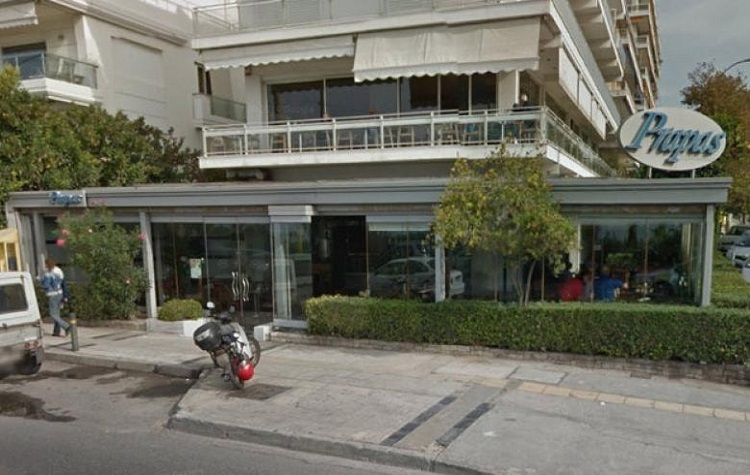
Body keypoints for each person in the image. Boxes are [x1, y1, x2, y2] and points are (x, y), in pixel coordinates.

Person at [40, 258, 71, 337]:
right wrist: (65, 296)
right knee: (57, 314)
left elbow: (45, 285)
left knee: (53, 314)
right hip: (60, 294)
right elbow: (64, 284)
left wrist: (40, 280)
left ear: (47, 264)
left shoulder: (47, 273)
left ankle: (67, 326)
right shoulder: (59, 271)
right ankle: (56, 332)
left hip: (52, 295)